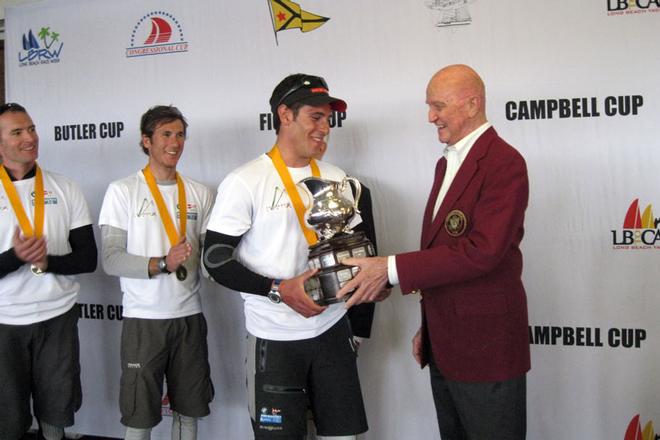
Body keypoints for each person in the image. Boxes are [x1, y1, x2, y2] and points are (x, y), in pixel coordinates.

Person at [337, 64, 531, 440]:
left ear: (473, 105)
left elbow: (482, 252)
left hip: (486, 349)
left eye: (438, 105)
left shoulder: (504, 163)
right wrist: (432, 326)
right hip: (446, 343)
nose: (431, 117)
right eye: (430, 106)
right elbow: (445, 254)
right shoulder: (447, 162)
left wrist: (389, 269)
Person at [203, 74, 369, 440]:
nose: (325, 127)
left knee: (343, 437)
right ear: (285, 115)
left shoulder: (335, 176)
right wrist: (278, 288)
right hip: (274, 337)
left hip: (331, 330)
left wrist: (369, 282)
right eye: (316, 116)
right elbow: (214, 259)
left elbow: (351, 247)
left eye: (328, 118)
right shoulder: (246, 180)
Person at [98, 105, 214, 440]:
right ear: (146, 141)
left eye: (180, 134)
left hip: (189, 317)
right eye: (166, 134)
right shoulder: (123, 191)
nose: (175, 142)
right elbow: (111, 259)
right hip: (143, 320)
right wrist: (162, 263)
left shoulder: (200, 193)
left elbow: (210, 260)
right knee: (140, 416)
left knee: (189, 412)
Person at [0, 103, 97, 440]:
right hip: (5, 322)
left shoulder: (65, 187)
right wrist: (14, 257)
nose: (30, 137)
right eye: (17, 132)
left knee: (56, 415)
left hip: (57, 318)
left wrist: (48, 262)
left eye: (31, 128)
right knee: (7, 421)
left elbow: (88, 259)